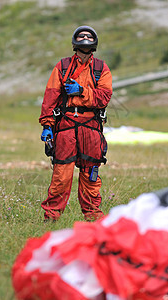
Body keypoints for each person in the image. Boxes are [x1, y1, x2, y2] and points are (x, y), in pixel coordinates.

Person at [39, 25, 113, 222]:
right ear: (75, 46)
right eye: (81, 48)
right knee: (61, 175)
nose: (84, 52)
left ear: (93, 47)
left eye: (87, 48)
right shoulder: (62, 67)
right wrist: (47, 125)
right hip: (66, 126)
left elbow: (104, 97)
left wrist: (82, 91)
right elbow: (51, 96)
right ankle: (51, 217)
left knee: (91, 174)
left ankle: (93, 217)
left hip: (91, 127)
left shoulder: (101, 69)